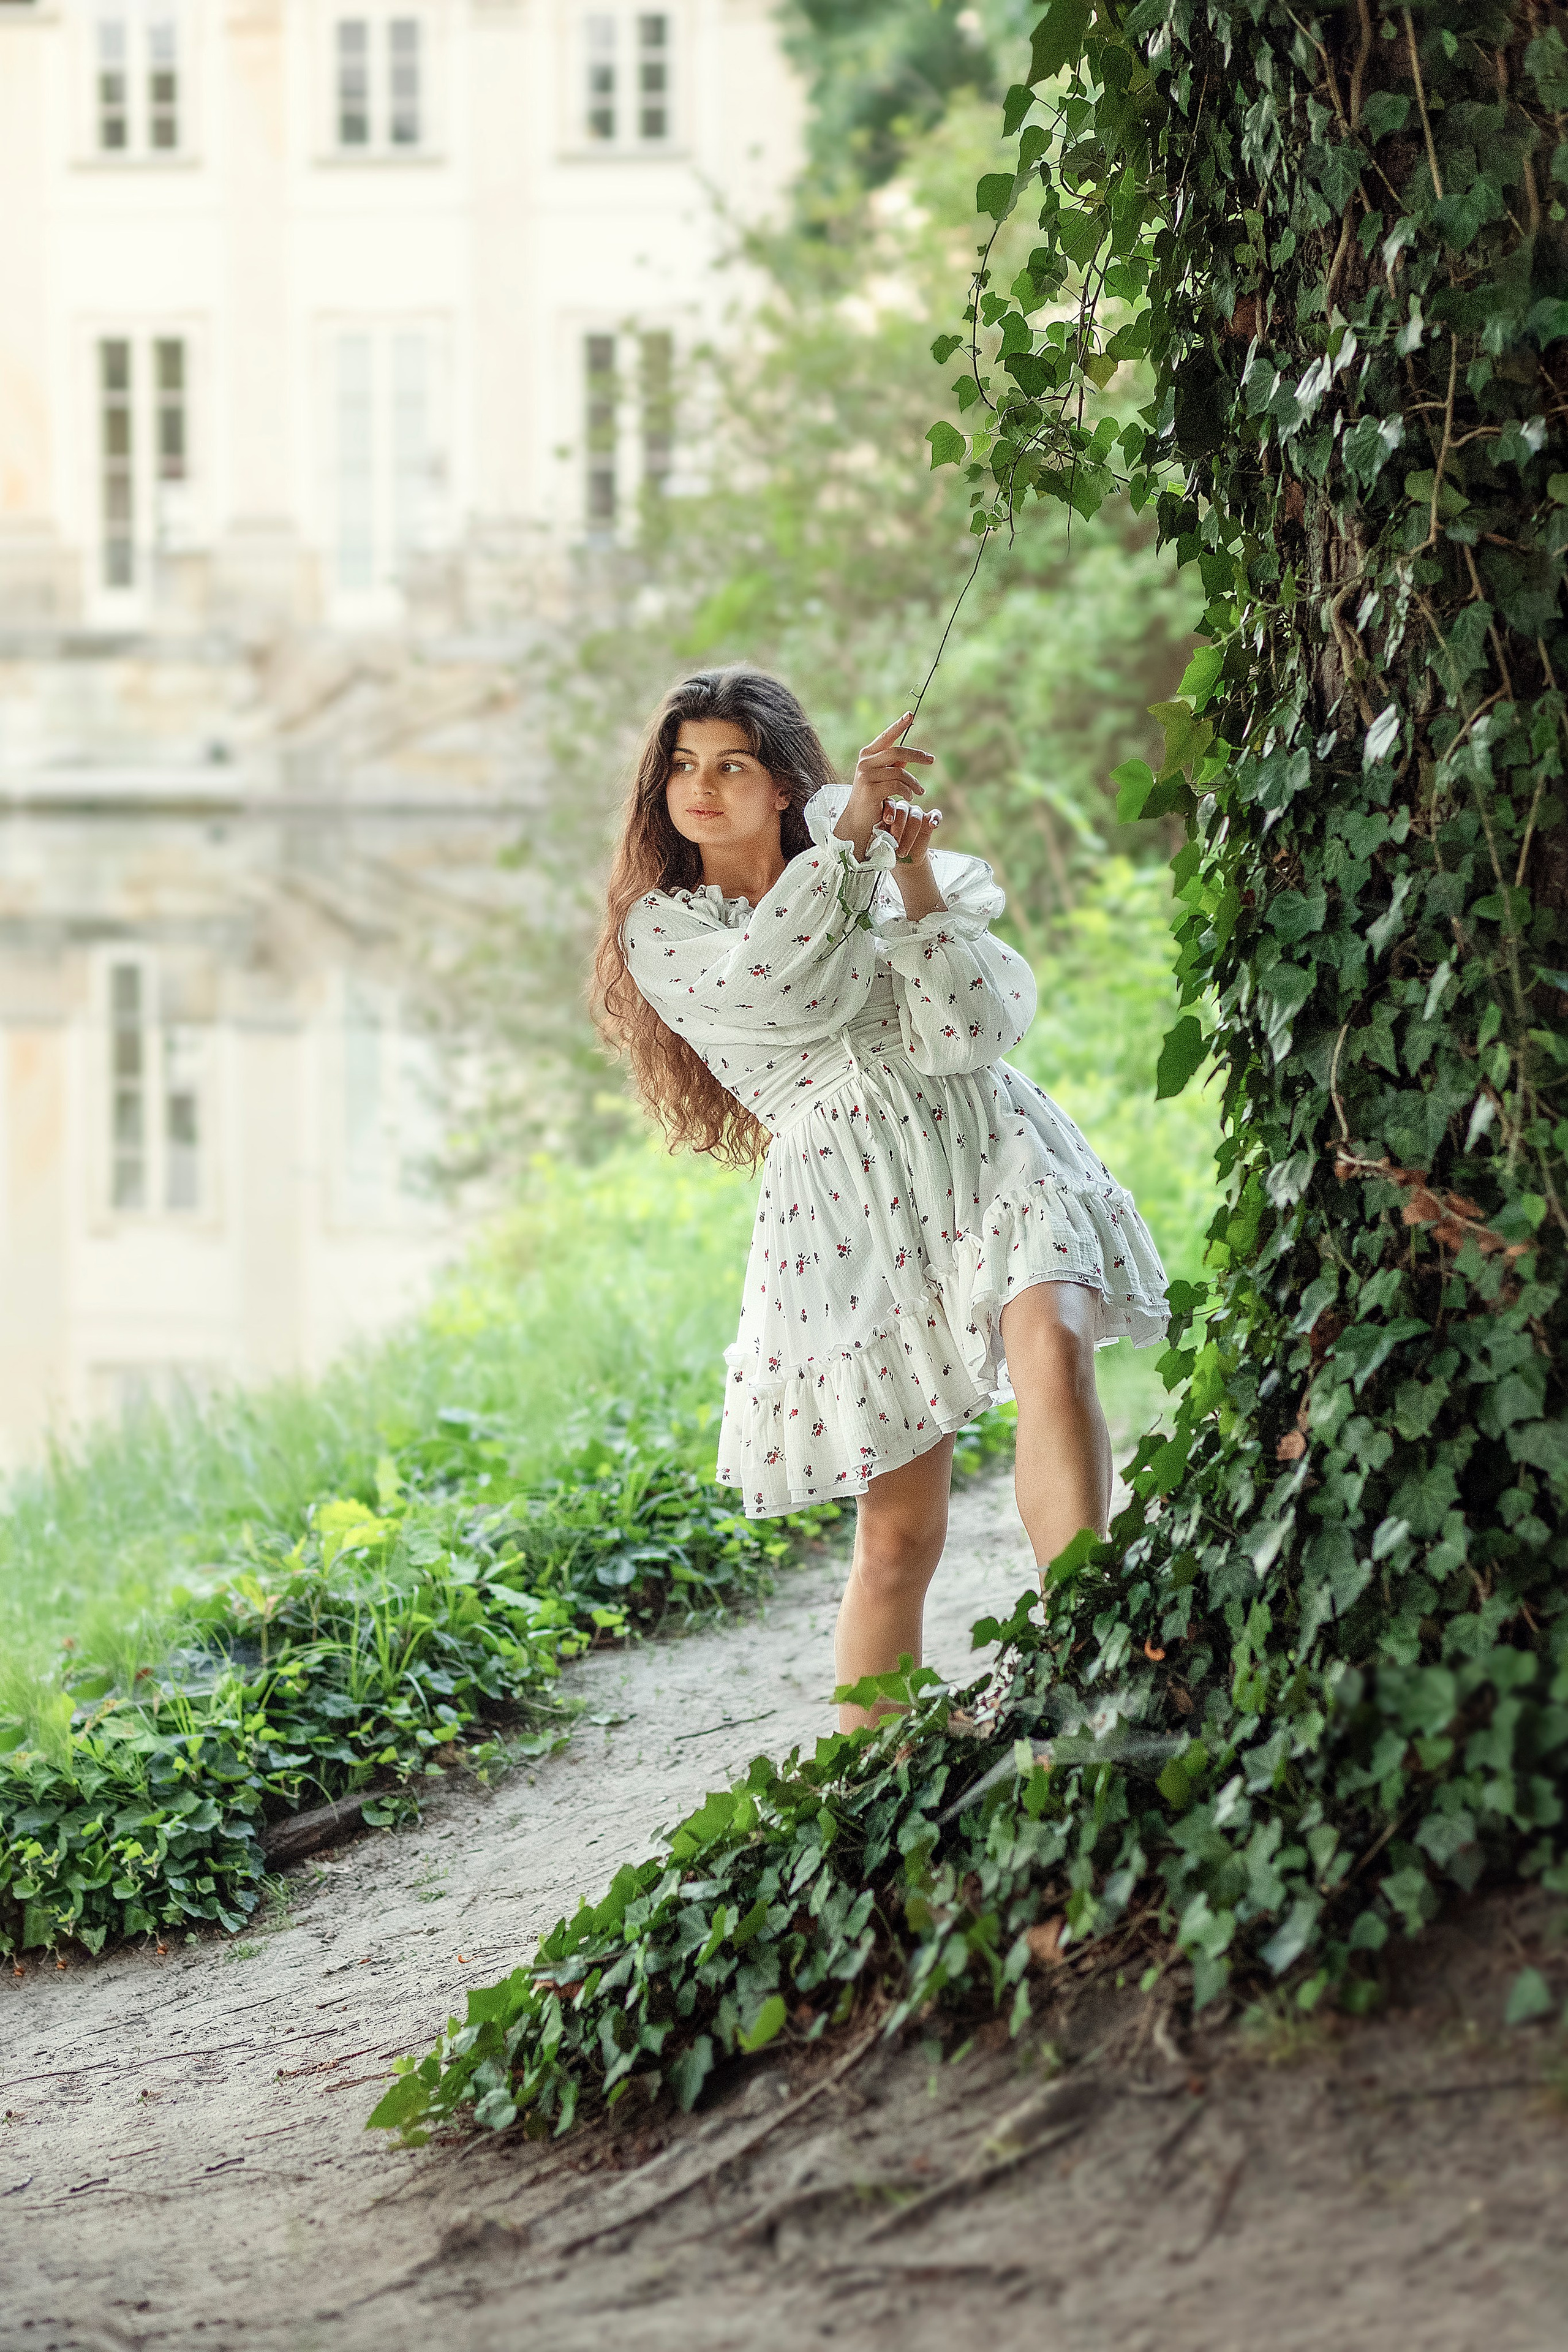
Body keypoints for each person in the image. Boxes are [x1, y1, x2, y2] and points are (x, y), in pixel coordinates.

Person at [594, 668, 1167, 1727]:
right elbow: (776, 984)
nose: (702, 788)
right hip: (847, 1207)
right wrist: (855, 846)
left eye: (732, 765)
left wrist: (912, 876)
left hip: (983, 1141)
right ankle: (871, 1773)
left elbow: (969, 1032)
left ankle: (1091, 1661)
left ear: (783, 784)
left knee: (1054, 1343)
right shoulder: (665, 929)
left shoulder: (865, 861)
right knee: (900, 1535)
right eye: (682, 766)